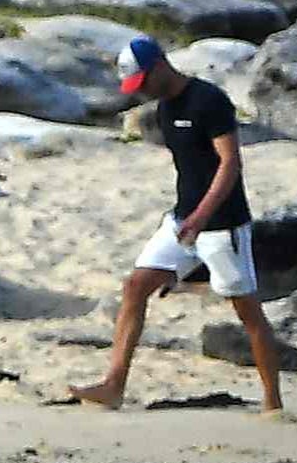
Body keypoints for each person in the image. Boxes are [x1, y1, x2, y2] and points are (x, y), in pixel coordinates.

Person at [76, 33, 276, 415]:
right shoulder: (164, 110)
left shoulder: (209, 101)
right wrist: (186, 218)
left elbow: (230, 163)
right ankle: (113, 386)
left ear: (160, 65)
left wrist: (202, 217)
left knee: (247, 312)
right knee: (135, 286)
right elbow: (189, 170)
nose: (142, 91)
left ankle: (273, 403)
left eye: (144, 81)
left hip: (222, 225)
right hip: (181, 223)